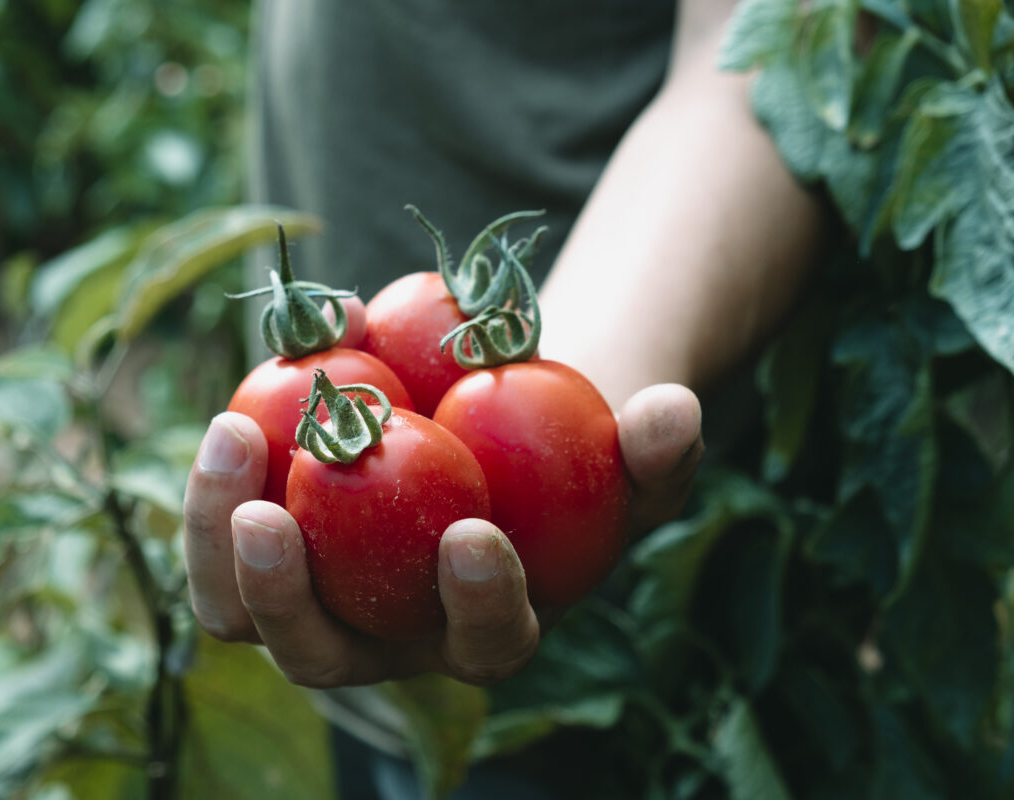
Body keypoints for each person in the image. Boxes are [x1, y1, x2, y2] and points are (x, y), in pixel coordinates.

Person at [183, 0, 826, 793]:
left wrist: (581, 423)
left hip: (633, 657)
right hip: (343, 651)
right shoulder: (331, 408)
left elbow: (769, 52)